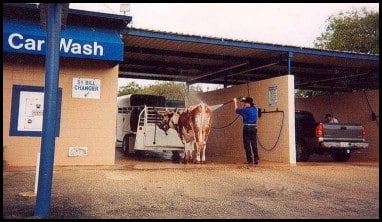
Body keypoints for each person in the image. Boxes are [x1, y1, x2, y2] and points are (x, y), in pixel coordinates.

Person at [233, 96, 259, 164]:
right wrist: (244, 100)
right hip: (254, 128)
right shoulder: (255, 109)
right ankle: (256, 159)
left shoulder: (245, 110)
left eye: (245, 103)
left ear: (248, 103)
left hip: (247, 128)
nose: (244, 104)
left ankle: (249, 160)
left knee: (247, 144)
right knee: (254, 144)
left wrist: (235, 102)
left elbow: (236, 110)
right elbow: (249, 104)